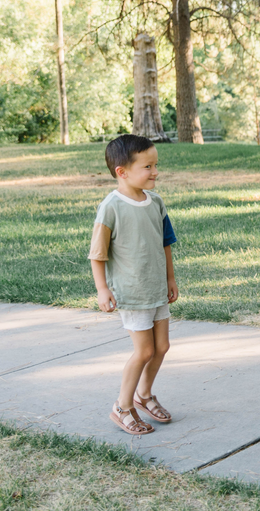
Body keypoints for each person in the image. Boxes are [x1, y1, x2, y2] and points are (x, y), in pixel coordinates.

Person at [89, 134, 179, 435]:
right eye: (147, 166)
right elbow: (97, 254)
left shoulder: (155, 202)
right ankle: (122, 406)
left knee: (162, 347)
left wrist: (170, 278)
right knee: (143, 352)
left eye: (155, 165)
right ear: (122, 172)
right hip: (132, 292)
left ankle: (144, 394)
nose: (155, 172)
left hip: (156, 289)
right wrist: (103, 289)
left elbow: (165, 243)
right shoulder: (111, 207)